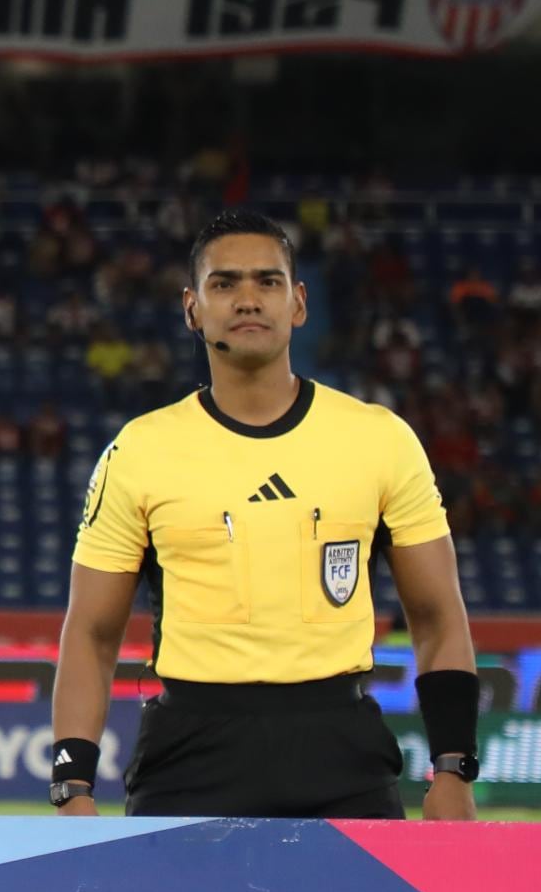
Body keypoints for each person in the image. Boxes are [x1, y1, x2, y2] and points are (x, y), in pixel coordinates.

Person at [49, 211, 483, 822]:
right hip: (190, 758)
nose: (247, 299)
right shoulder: (139, 450)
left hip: (343, 755)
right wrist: (72, 786)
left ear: (299, 303)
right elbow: (91, 634)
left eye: (268, 281)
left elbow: (438, 616)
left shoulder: (380, 439)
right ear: (191, 308)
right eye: (224, 284)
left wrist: (454, 769)